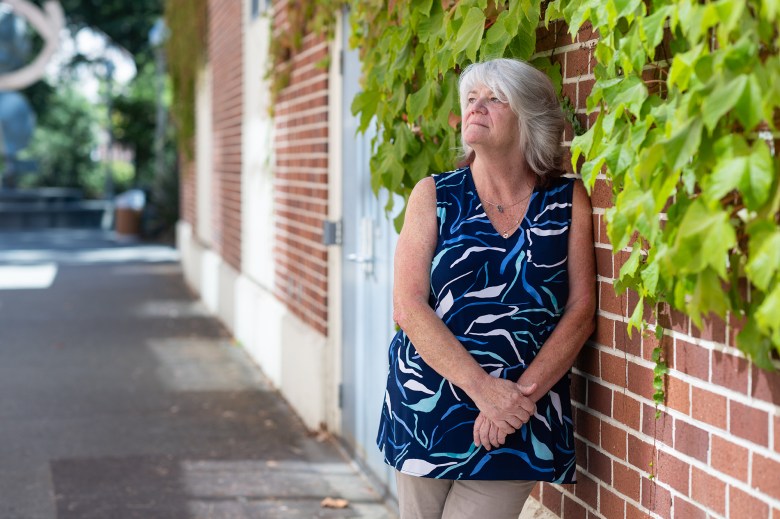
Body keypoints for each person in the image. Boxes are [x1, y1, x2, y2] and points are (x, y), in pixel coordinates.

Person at [376, 58, 596, 518]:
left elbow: (580, 312)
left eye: (495, 98)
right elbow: (408, 305)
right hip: (427, 409)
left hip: (518, 417)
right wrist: (483, 390)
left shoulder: (566, 202)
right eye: (471, 98)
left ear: (529, 119)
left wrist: (515, 400)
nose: (477, 107)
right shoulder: (434, 195)